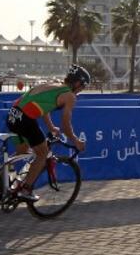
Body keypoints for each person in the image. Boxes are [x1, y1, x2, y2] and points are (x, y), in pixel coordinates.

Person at [5, 64, 89, 202]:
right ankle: (26, 189)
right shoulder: (69, 96)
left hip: (13, 114)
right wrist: (76, 140)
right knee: (43, 153)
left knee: (22, 151)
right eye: (82, 87)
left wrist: (51, 127)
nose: (80, 91)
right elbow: (66, 124)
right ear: (78, 83)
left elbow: (44, 109)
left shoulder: (53, 85)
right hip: (25, 119)